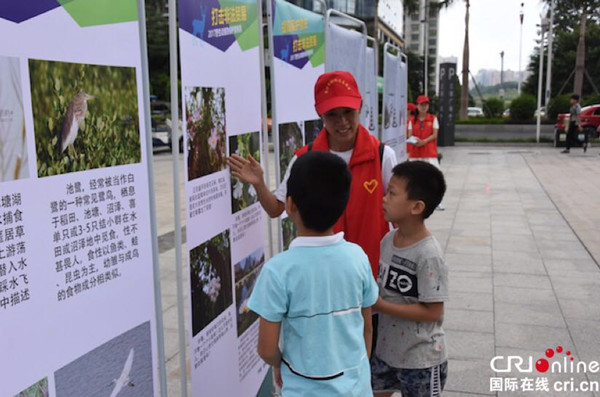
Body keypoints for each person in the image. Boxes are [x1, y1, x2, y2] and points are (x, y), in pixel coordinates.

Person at [228, 71, 397, 278]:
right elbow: (275, 209)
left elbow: (400, 215)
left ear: (359, 107)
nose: (342, 121)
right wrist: (259, 183)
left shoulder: (382, 156)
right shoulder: (304, 159)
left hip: (370, 273)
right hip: (320, 276)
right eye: (332, 114)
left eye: (348, 112)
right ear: (320, 114)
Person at [248, 151, 379, 396]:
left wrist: (281, 364)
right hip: (356, 387)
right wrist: (358, 370)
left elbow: (266, 349)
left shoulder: (278, 271)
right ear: (342, 206)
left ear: (290, 205)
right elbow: (367, 327)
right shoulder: (358, 257)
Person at [371, 161, 448, 397]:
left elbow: (433, 312)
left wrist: (381, 305)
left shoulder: (428, 254)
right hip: (385, 352)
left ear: (416, 207)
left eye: (392, 193)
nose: (384, 198)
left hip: (421, 360)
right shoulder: (388, 240)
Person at [407, 95, 444, 210]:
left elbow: (434, 135)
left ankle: (436, 201)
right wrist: (415, 140)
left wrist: (424, 141)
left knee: (434, 177)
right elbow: (409, 134)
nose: (424, 107)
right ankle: (415, 201)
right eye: (421, 105)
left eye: (426, 105)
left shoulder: (433, 119)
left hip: (429, 152)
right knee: (415, 178)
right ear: (417, 106)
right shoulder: (411, 120)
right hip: (416, 153)